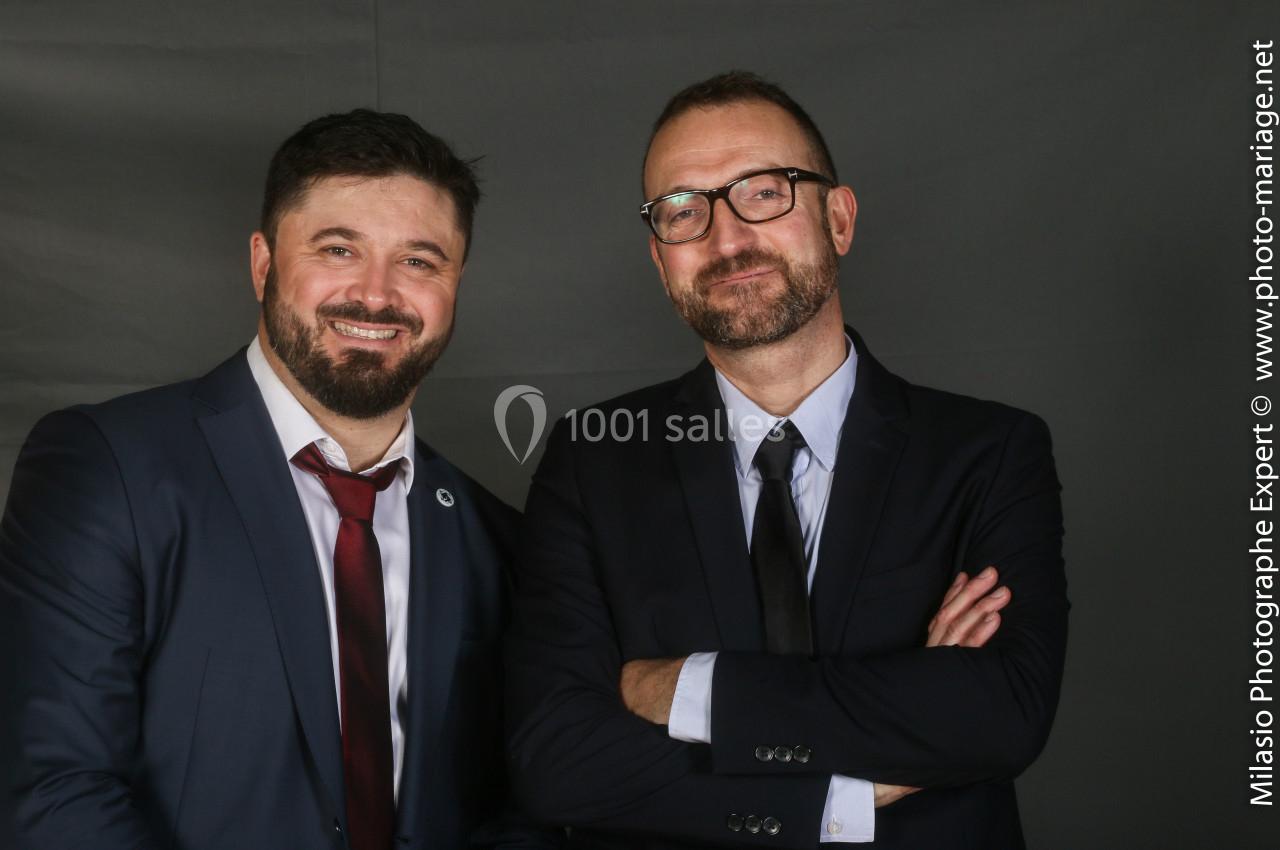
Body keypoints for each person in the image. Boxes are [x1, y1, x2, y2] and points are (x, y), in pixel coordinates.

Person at [505, 71, 1067, 849]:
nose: (727, 239)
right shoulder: (590, 461)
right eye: (683, 210)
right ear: (658, 258)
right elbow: (556, 760)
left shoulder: (989, 453)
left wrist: (680, 687)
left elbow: (999, 715)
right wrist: (864, 773)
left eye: (764, 192)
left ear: (838, 218)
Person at [0, 109, 550, 850]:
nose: (377, 294)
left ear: (455, 285)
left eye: (421, 261)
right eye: (338, 249)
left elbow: (528, 806)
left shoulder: (496, 539)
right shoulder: (108, 468)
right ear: (263, 264)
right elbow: (54, 788)